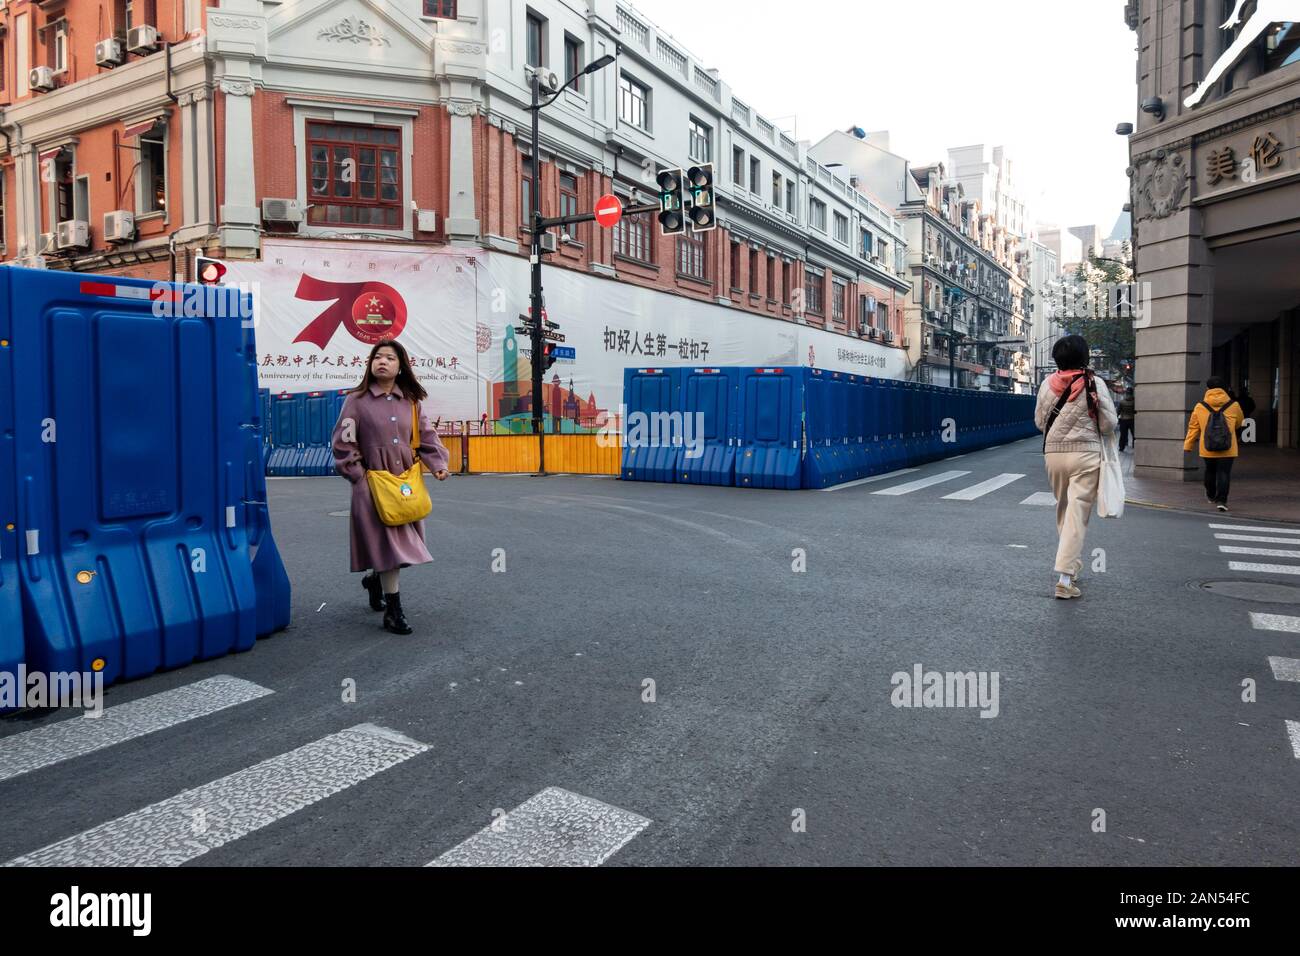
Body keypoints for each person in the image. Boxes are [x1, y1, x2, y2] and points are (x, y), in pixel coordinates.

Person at [332, 340, 450, 635]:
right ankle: (394, 612)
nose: (382, 361)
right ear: (370, 364)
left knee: (401, 548)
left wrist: (438, 464)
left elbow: (426, 436)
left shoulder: (411, 401)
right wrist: (359, 477)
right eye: (377, 357)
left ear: (401, 367)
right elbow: (342, 443)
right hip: (372, 487)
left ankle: (375, 581)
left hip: (404, 486)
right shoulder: (356, 401)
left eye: (390, 358)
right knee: (390, 549)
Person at [1034, 335, 1118, 601]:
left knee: (1064, 509)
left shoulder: (1047, 384)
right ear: (1085, 358)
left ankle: (1072, 565)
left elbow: (1039, 422)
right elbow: (1108, 424)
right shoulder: (1095, 383)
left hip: (1054, 455)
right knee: (1077, 513)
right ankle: (1065, 577)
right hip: (1085, 455)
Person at [1184, 376, 1244, 513]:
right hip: (1228, 448)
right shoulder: (1234, 405)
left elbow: (1193, 427)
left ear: (1207, 389)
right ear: (1224, 389)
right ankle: (1222, 501)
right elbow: (1240, 422)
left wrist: (1188, 445)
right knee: (1224, 473)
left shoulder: (1200, 406)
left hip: (1207, 447)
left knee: (1210, 470)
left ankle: (1211, 495)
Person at [1116, 386, 1136, 453]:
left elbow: (1118, 411)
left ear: (1126, 393)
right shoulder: (1135, 402)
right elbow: (1135, 411)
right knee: (1134, 434)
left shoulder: (1122, 402)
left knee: (1123, 435)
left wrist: (1116, 418)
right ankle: (1134, 445)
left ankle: (1121, 447)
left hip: (1123, 420)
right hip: (1132, 419)